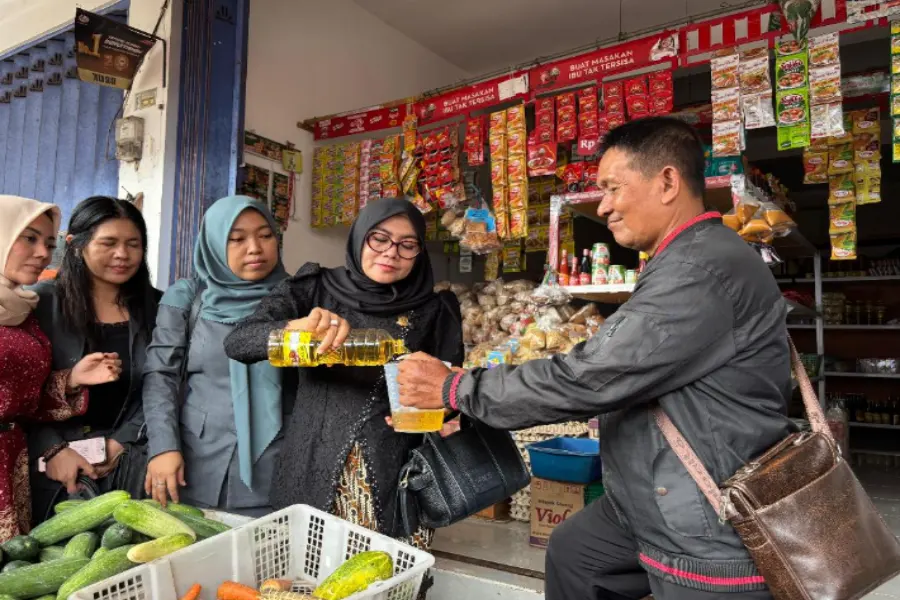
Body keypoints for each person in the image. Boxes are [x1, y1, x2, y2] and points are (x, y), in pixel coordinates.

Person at [396, 118, 792, 600]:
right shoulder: (685, 257)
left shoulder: (698, 268)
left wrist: (457, 388)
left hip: (705, 517)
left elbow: (592, 376)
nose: (603, 206)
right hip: (651, 495)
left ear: (667, 182)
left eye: (611, 188)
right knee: (576, 553)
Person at [224, 198, 464, 550]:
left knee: (384, 577)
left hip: (396, 471)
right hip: (312, 461)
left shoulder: (434, 309)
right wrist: (295, 329)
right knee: (306, 571)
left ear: (419, 251)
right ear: (359, 237)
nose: (391, 252)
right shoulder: (314, 288)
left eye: (407, 244)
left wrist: (447, 412)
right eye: (379, 238)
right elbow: (238, 342)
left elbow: (448, 387)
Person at [142, 196, 293, 517]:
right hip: (194, 463)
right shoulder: (188, 297)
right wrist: (164, 447)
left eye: (265, 236)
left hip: (277, 468)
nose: (254, 248)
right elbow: (160, 376)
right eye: (236, 239)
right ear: (212, 243)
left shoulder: (297, 299)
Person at [29, 196, 162, 520]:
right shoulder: (40, 304)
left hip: (134, 462)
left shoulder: (160, 308)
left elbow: (167, 384)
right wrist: (52, 448)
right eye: (109, 243)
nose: (122, 254)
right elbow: (19, 393)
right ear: (76, 245)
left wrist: (121, 442)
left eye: (133, 243)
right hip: (56, 468)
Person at [0, 195, 120, 541]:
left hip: (11, 462)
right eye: (29, 238)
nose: (42, 253)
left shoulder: (22, 310)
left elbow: (20, 399)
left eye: (50, 243)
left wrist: (72, 379)